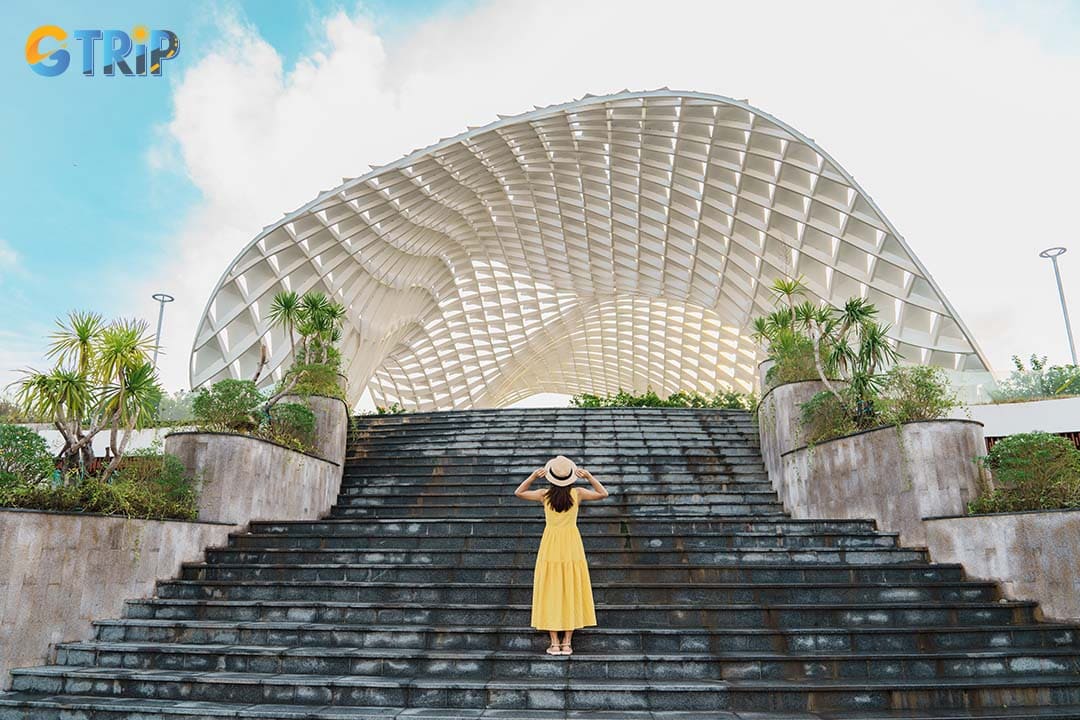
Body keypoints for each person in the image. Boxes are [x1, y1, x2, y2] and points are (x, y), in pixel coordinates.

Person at [514, 454, 609, 656]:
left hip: (550, 544)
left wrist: (532, 477)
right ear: (570, 476)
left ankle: (554, 643)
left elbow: (519, 492)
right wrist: (590, 477)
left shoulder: (543, 494)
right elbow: (603, 493)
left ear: (550, 476)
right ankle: (567, 643)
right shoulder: (579, 493)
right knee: (570, 588)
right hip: (572, 544)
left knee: (551, 589)